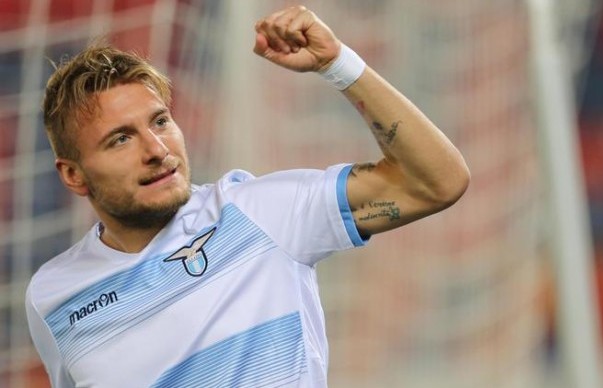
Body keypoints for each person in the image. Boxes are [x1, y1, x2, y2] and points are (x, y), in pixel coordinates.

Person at [25, 5, 469, 388]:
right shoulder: (51, 296)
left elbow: (436, 182)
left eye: (160, 122)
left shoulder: (258, 212)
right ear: (73, 175)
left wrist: (339, 65)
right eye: (121, 139)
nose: (157, 151)